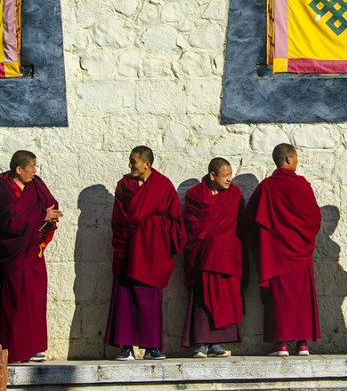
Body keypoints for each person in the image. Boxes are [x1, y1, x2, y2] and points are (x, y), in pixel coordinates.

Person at [105, 146, 186, 361]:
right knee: (124, 299)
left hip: (151, 252)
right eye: (130, 161)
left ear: (146, 164)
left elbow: (175, 221)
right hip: (127, 249)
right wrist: (138, 224)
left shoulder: (162, 186)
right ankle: (125, 347)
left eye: (133, 161)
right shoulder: (124, 187)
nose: (130, 165)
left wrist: (149, 226)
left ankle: (152, 347)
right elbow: (119, 218)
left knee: (148, 299)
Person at [245, 144, 321, 356]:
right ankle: (303, 344)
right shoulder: (302, 185)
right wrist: (304, 238)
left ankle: (282, 345)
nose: (298, 161)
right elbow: (314, 218)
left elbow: (250, 220)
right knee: (302, 297)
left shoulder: (267, 187)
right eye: (296, 158)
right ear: (288, 159)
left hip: (276, 254)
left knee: (280, 299)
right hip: (300, 251)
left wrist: (264, 244)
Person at [0, 150, 62, 363]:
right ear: (19, 169)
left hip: (33, 251)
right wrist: (42, 215)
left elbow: (50, 203)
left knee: (34, 299)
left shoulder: (36, 185)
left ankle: (32, 347)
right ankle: (12, 349)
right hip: (14, 253)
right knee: (15, 300)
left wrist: (50, 216)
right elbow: (11, 222)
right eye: (31, 167)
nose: (34, 171)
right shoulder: (3, 192)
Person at [181, 157, 246, 358]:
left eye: (230, 175)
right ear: (212, 175)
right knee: (202, 300)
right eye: (225, 176)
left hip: (227, 256)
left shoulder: (234, 194)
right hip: (203, 256)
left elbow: (241, 224)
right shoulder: (195, 196)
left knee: (224, 300)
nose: (229, 179)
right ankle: (200, 343)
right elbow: (190, 226)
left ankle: (217, 342)